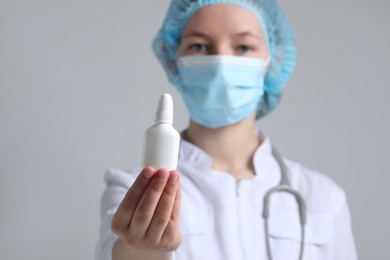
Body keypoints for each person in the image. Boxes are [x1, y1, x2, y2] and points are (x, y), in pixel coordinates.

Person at [96, 0, 358, 259]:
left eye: (243, 47)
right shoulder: (134, 190)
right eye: (199, 46)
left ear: (272, 61)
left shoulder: (323, 196)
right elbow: (119, 251)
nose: (221, 62)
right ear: (174, 59)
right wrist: (140, 251)